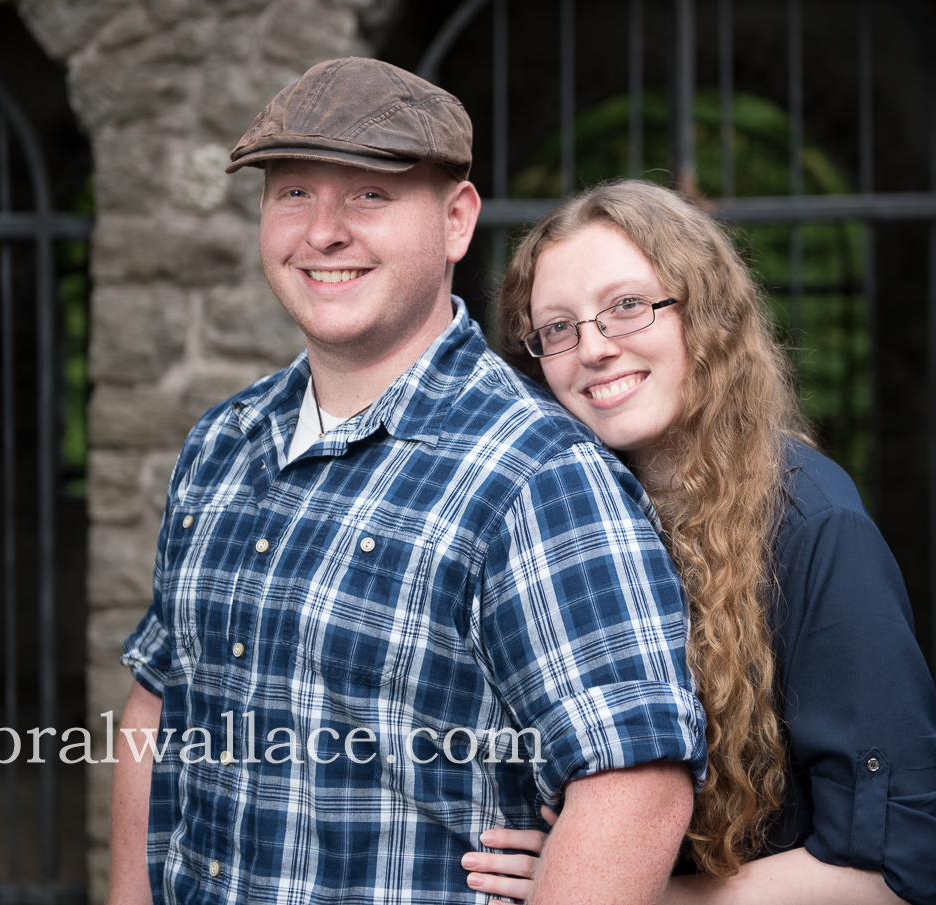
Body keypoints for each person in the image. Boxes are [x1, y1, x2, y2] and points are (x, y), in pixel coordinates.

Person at [105, 59, 708, 905]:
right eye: (294, 194)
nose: (323, 231)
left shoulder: (535, 473)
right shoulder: (222, 444)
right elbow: (156, 706)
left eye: (369, 196)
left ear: (458, 221)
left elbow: (636, 787)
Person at [460, 179, 936, 905]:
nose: (594, 348)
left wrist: (604, 885)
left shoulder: (816, 525)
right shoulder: (550, 518)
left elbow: (893, 871)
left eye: (627, 306)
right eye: (558, 328)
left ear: (706, 313)